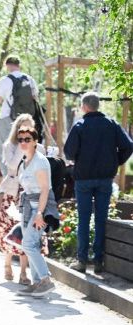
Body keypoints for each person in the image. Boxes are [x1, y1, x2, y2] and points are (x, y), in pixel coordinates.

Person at [64, 92, 133, 273]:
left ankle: (81, 260)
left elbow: (69, 153)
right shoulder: (111, 124)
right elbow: (129, 146)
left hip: (84, 180)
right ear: (97, 105)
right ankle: (99, 262)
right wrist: (115, 161)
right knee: (101, 219)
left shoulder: (80, 125)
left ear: (84, 106)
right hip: (105, 179)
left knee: (84, 219)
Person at [0, 114, 43, 285]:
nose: (26, 132)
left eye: (29, 128)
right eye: (22, 128)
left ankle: (24, 272)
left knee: (26, 231)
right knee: (8, 228)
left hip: (30, 193)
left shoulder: (39, 149)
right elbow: (12, 166)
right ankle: (7, 264)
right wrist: (23, 148)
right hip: (13, 193)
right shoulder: (9, 146)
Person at [15, 127, 57, 297]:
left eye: (27, 139)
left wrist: (40, 213)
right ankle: (37, 282)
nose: (24, 142)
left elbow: (45, 189)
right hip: (27, 206)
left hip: (39, 206)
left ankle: (46, 280)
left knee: (28, 244)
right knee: (31, 244)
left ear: (35, 141)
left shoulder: (39, 161)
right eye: (21, 139)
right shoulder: (25, 160)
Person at [0, 56, 39, 174]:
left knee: (4, 147)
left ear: (7, 65)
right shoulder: (29, 79)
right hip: (26, 120)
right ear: (19, 65)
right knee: (24, 147)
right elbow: (35, 97)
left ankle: (7, 179)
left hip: (8, 117)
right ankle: (24, 176)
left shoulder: (6, 80)